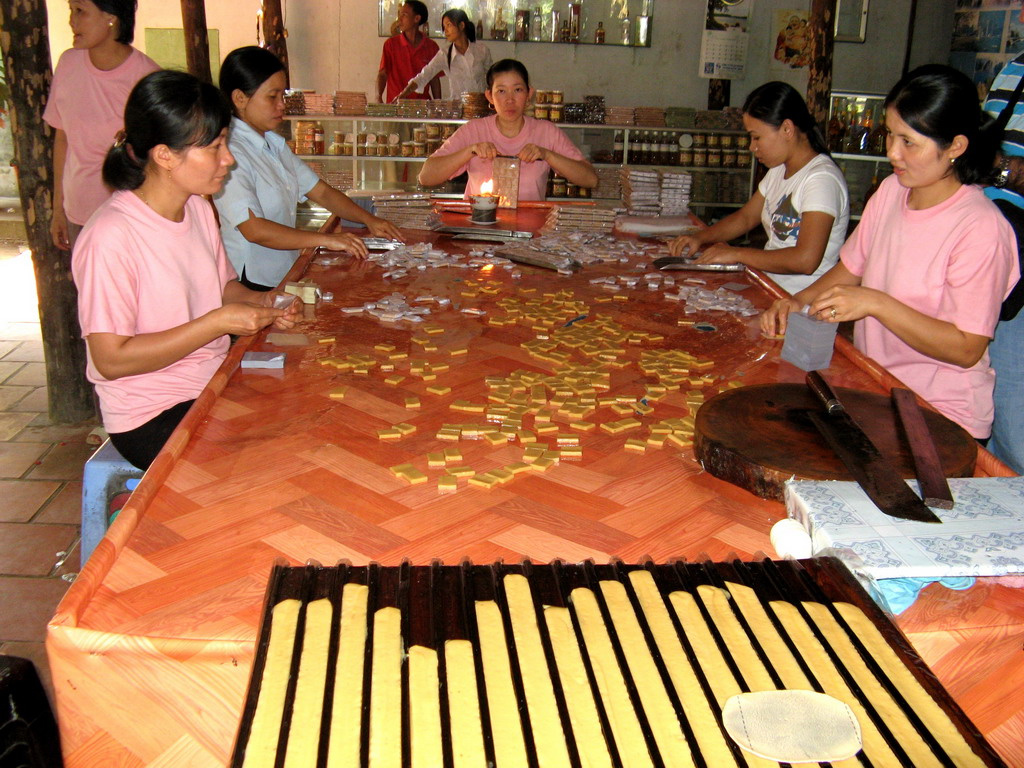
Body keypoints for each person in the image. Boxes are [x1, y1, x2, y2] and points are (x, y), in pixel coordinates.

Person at [762, 65, 1020, 441]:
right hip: (880, 391)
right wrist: (796, 302)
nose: (892, 153)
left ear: (957, 147)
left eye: (909, 142)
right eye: (890, 135)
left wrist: (875, 303)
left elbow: (966, 347)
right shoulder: (891, 193)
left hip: (941, 416)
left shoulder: (981, 228)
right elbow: (851, 267)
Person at [72, 70, 302, 470]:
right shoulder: (111, 236)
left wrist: (266, 301)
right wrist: (217, 323)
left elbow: (223, 289)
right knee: (270, 466)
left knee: (307, 418)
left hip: (211, 382)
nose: (227, 159)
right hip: (151, 413)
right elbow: (111, 360)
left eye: (225, 143)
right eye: (215, 147)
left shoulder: (196, 206)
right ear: (164, 155)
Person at [215, 47, 404, 292]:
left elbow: (322, 192)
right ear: (240, 98)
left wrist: (370, 220)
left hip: (282, 268)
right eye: (272, 97)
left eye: (283, 95)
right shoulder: (230, 153)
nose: (282, 105)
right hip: (250, 279)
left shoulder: (273, 143)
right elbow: (255, 229)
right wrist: (326, 240)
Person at [669, 82, 849, 296]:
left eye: (757, 137)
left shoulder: (821, 179)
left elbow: (805, 260)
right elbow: (746, 218)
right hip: (773, 291)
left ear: (787, 129)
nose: (752, 147)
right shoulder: (779, 170)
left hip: (804, 305)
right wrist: (701, 237)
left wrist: (737, 253)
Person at [44, 0, 159, 251]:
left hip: (130, 216)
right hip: (77, 213)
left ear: (111, 17)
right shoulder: (68, 64)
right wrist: (58, 209)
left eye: (81, 11)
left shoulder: (146, 77)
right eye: (71, 11)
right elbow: (63, 139)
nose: (71, 20)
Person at [418, 59, 598, 201]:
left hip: (528, 232)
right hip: (480, 229)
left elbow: (590, 179)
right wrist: (469, 151)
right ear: (489, 96)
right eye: (501, 91)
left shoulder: (546, 131)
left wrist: (547, 154)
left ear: (529, 94)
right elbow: (426, 177)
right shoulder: (474, 130)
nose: (510, 100)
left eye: (518, 90)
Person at [982, 7, 1024, 473]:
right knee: (988, 382)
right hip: (995, 240)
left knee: (1014, 399)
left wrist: (1010, 171)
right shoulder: (1012, 69)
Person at [396, 9, 492, 101]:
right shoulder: (444, 54)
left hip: (481, 107)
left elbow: (492, 77)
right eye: (444, 27)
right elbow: (424, 75)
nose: (445, 31)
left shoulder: (482, 50)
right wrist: (403, 94)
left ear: (462, 25)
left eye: (449, 25)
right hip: (458, 110)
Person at [377, 1, 440, 103]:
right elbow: (382, 74)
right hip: (395, 107)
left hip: (422, 109)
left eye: (404, 15)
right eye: (399, 15)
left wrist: (438, 105)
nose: (399, 19)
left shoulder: (431, 46)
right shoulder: (390, 44)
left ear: (416, 18)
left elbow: (434, 79)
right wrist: (378, 97)